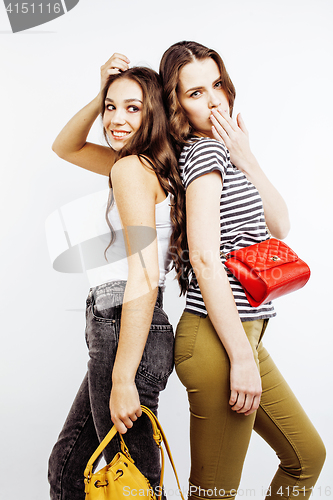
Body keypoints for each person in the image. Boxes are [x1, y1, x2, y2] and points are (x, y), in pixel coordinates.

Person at [159, 41, 326, 500]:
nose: (213, 100)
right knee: (214, 495)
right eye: (195, 93)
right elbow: (206, 258)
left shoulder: (224, 152)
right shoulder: (204, 155)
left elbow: (281, 225)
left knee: (306, 458)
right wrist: (242, 357)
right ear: (176, 105)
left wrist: (246, 155)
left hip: (241, 335)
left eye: (217, 85)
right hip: (218, 340)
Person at [48, 54, 185, 500]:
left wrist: (123, 377)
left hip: (124, 325)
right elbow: (65, 146)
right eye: (110, 106)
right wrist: (99, 90)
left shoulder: (130, 169)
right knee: (68, 466)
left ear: (155, 112)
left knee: (134, 484)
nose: (116, 118)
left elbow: (144, 276)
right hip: (125, 327)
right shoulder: (144, 165)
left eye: (133, 107)